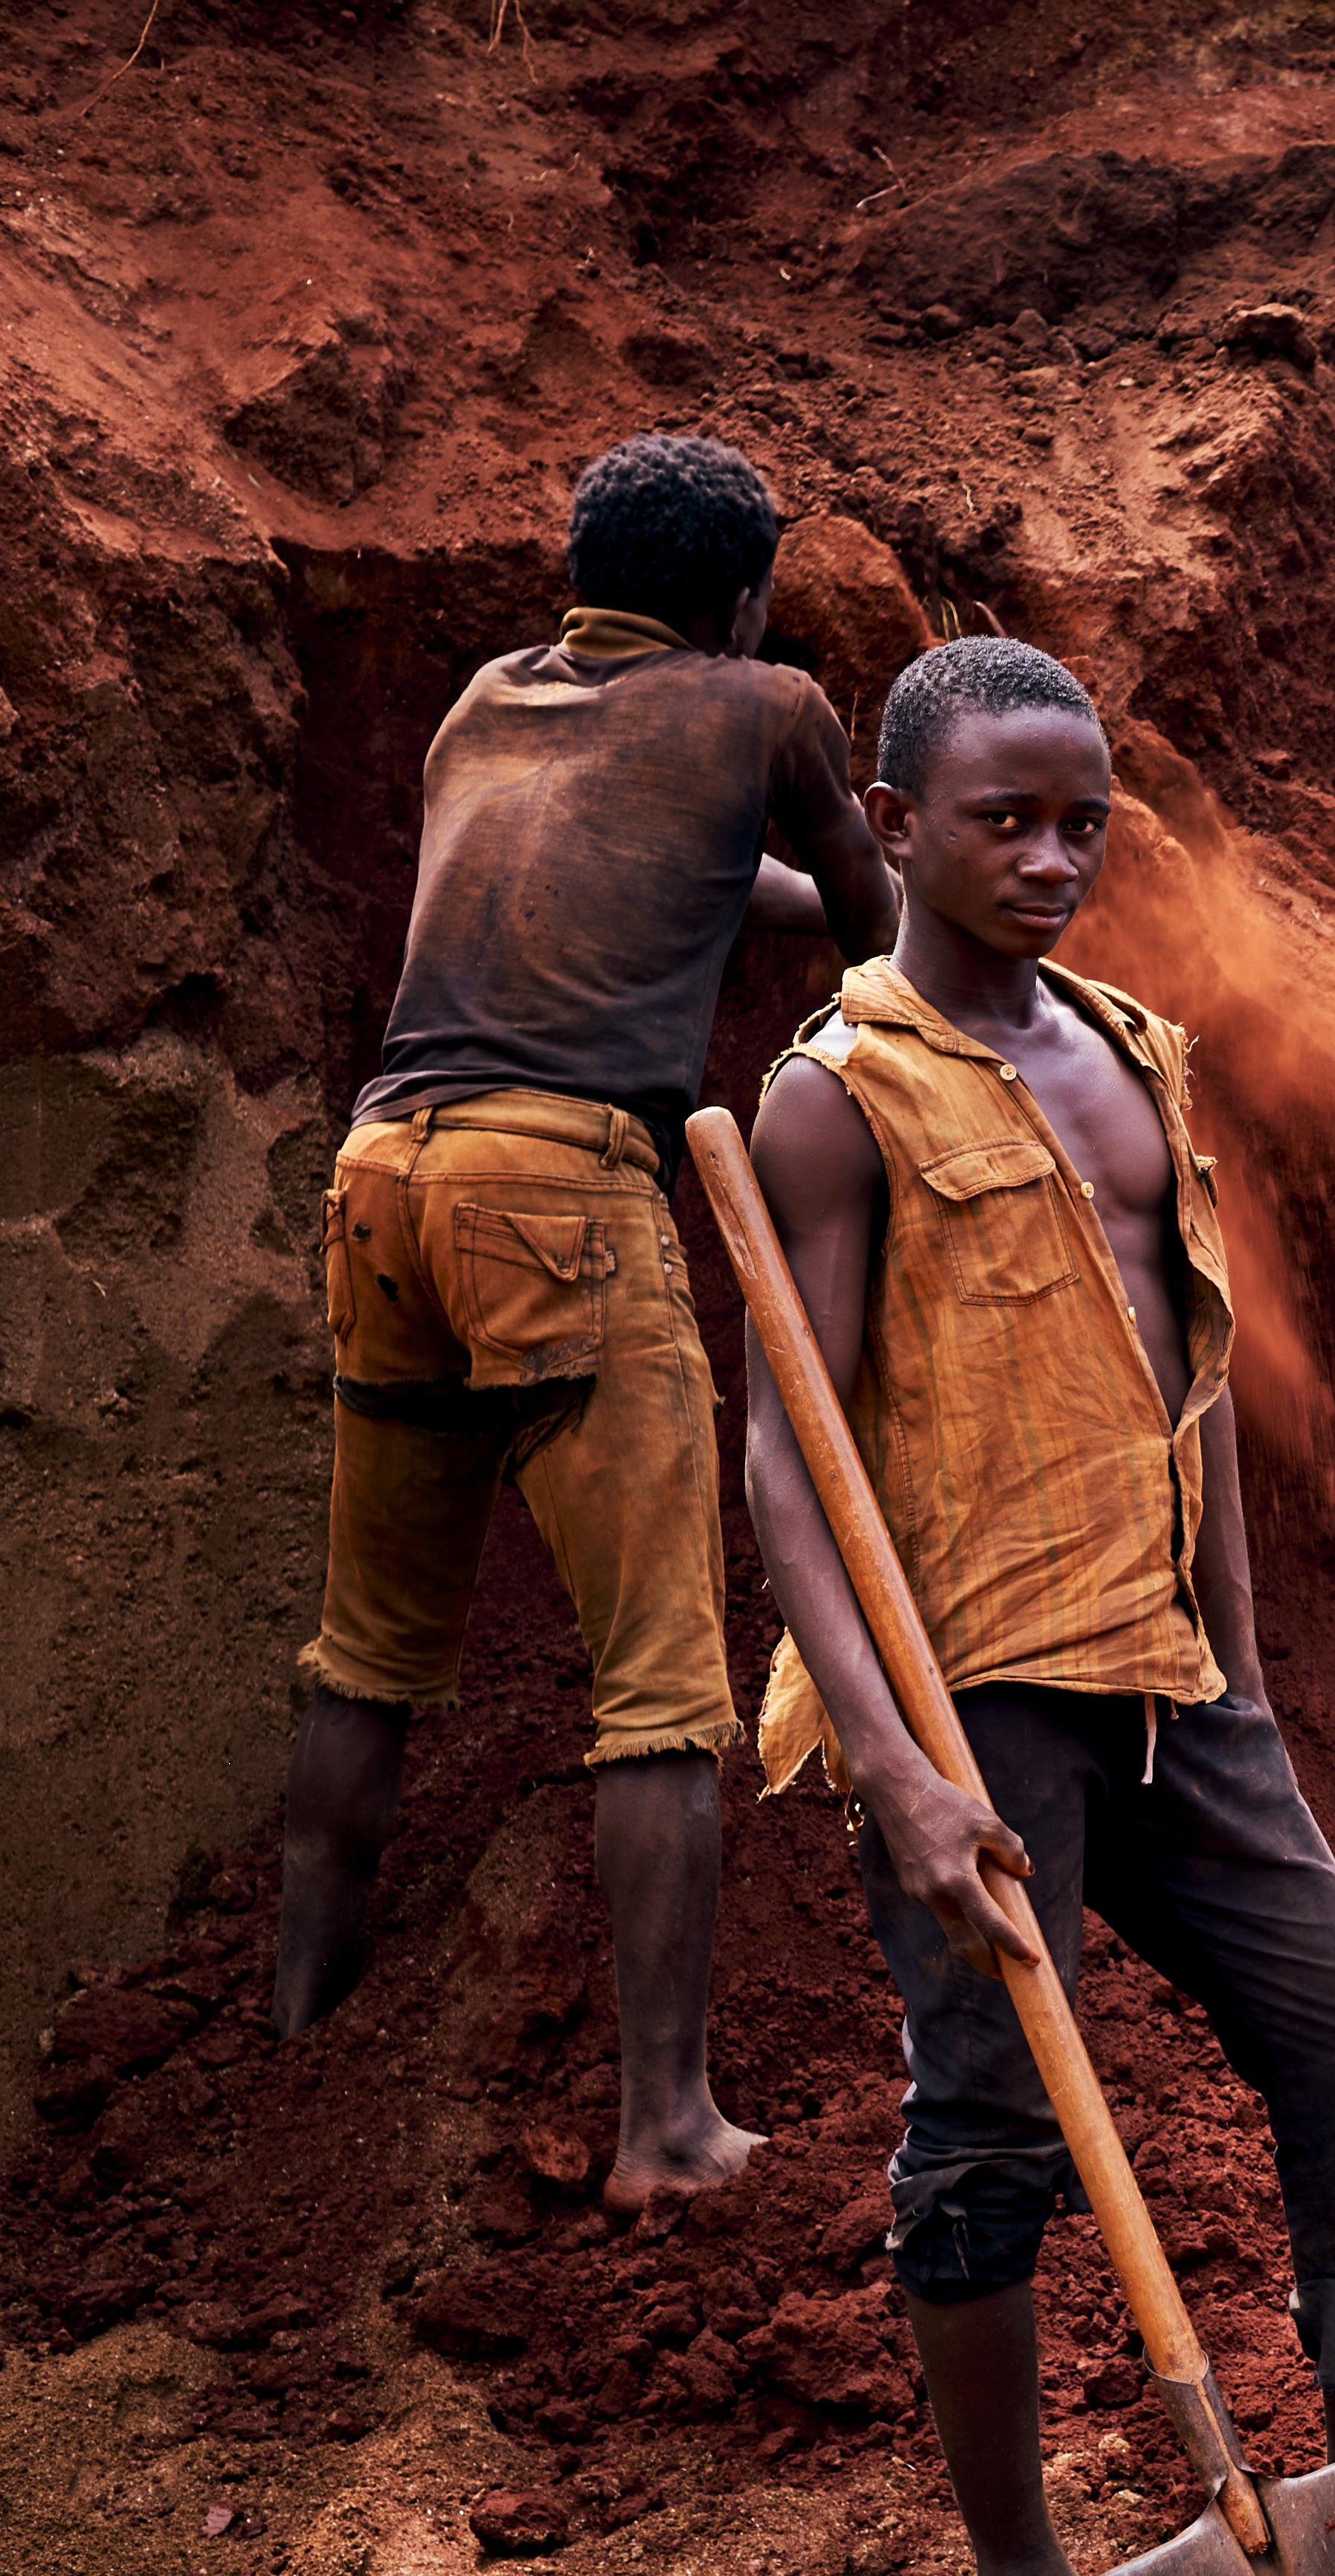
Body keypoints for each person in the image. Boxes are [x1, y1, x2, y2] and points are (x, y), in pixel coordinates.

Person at [739, 634, 1335, 2576]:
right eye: (1001, 824)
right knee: (993, 2139)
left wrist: (1253, 1664)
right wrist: (899, 1763)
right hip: (977, 1694)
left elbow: (1195, 1368)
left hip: (1174, 1674)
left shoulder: (1129, 1049)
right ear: (890, 830)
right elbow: (789, 1450)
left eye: (1078, 823)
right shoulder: (834, 1102)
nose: (1050, 860)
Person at [277, 431, 895, 2213]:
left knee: (372, 1646)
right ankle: (669, 2123)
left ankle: (298, 2016)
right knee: (661, 1685)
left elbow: (672, 867)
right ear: (746, 595)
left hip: (381, 1172)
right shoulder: (768, 703)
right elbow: (863, 928)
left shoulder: (488, 699)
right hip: (561, 1190)